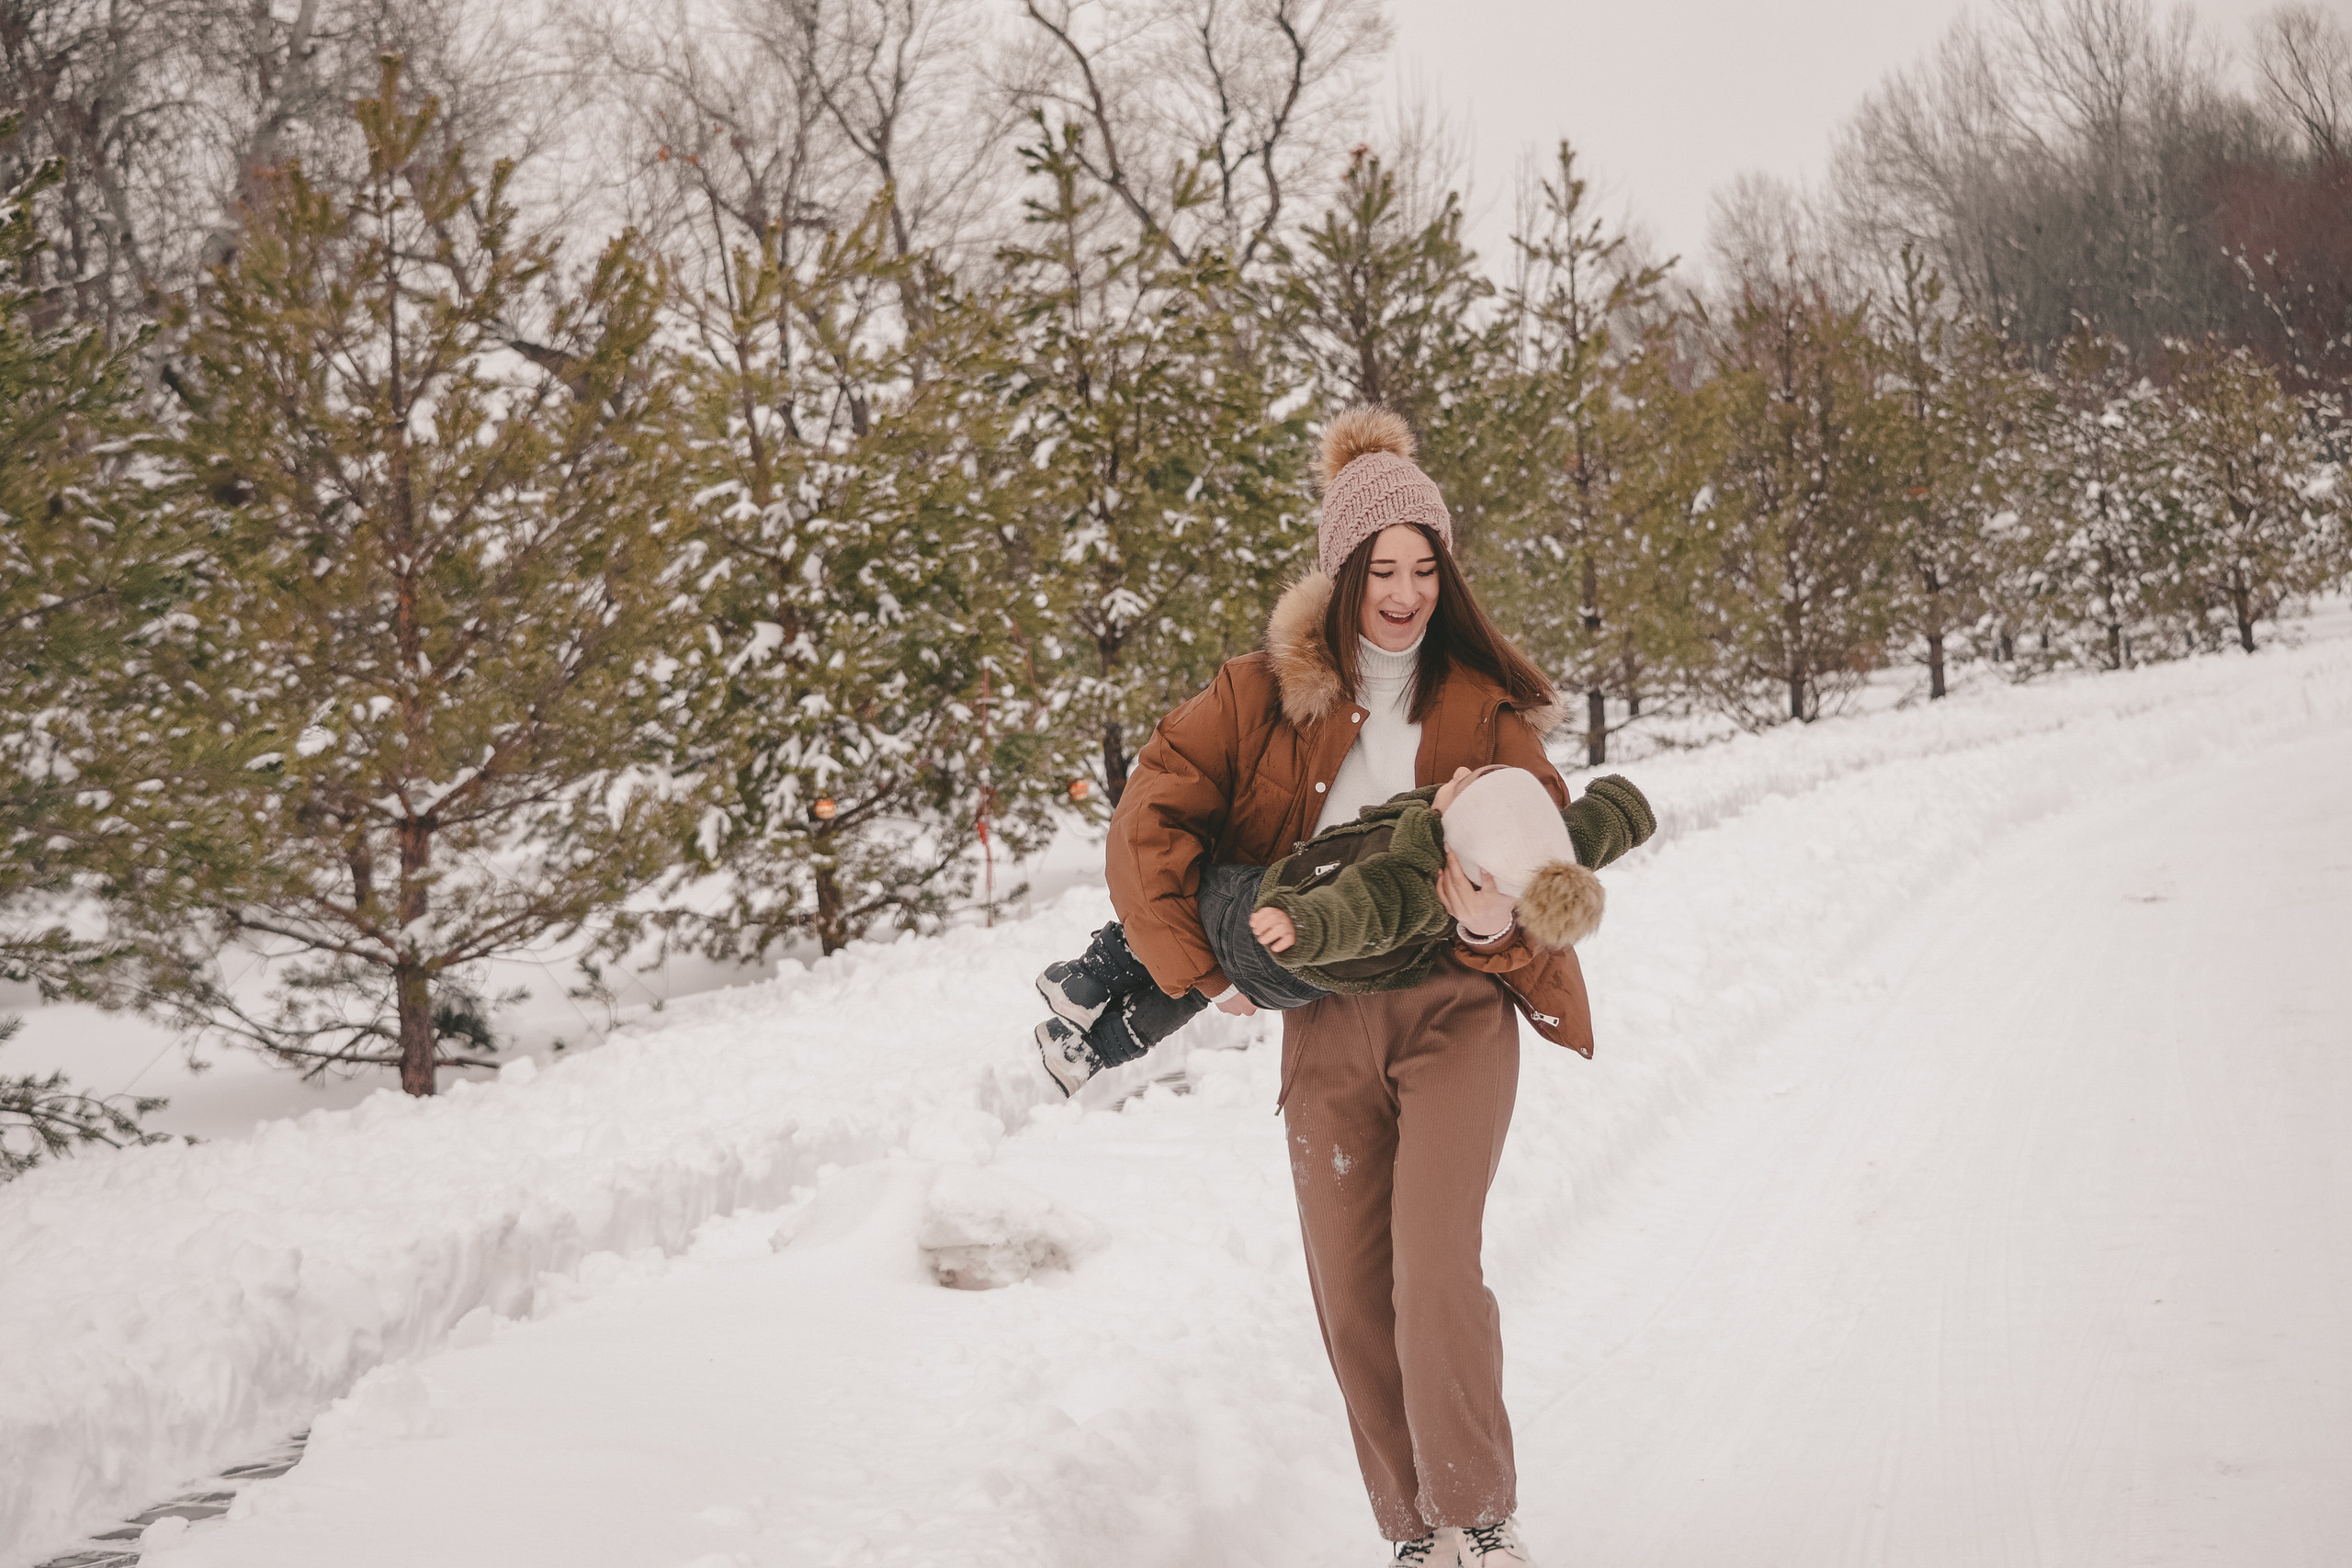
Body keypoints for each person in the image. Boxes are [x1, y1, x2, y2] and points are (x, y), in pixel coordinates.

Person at [1102, 405, 1600, 1566]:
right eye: (1383, 568)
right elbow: (1150, 818)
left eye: (1426, 567)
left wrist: (1492, 927)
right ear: (1341, 573)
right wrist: (1197, 967)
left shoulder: (1481, 704)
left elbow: (1547, 862)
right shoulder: (1257, 697)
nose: (1407, 591)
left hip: (1454, 1016)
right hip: (1321, 1022)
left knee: (1432, 1276)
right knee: (1351, 1295)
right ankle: (1414, 1536)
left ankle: (1479, 1522)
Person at [1032, 764, 1655, 1096]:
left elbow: (1359, 905)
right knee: (1194, 986)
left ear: (1461, 834)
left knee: (1192, 895)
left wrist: (1301, 922)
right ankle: (1094, 1050)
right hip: (1294, 980)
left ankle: (1088, 979)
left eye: (1467, 787)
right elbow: (1571, 841)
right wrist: (1623, 811)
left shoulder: (1414, 876)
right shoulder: (1514, 868)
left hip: (1282, 924)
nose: (1460, 772)